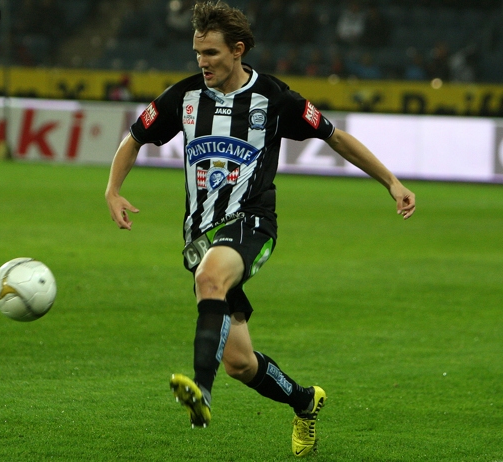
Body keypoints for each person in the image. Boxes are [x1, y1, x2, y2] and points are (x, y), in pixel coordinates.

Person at [105, 1, 416, 458]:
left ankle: (201, 392)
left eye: (211, 53)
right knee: (240, 362)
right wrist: (112, 189)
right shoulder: (184, 98)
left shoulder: (273, 97)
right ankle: (305, 402)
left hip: (252, 225)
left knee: (211, 278)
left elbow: (336, 137)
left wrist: (391, 181)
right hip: (199, 237)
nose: (202, 62)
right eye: (197, 53)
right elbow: (134, 137)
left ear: (238, 49)